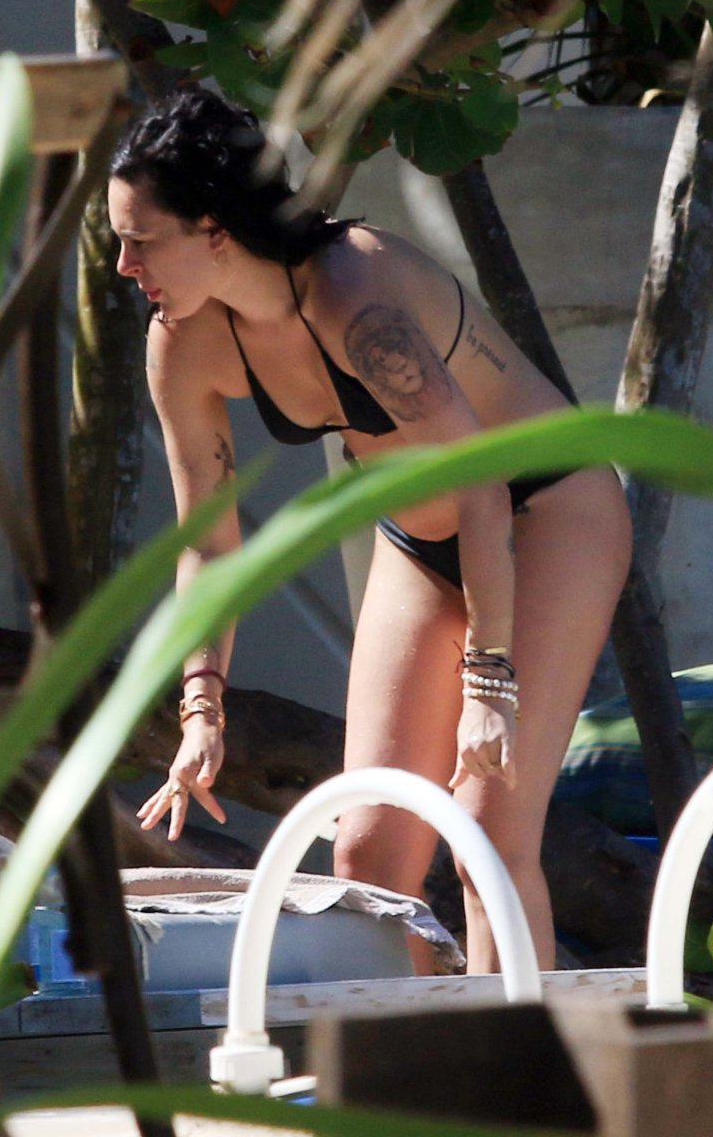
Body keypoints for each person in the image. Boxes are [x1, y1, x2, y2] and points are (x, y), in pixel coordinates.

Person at [107, 86, 632, 974]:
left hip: (541, 512)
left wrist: (488, 684)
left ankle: (522, 1057)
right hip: (417, 543)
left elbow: (479, 488)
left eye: (141, 240)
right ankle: (417, 1058)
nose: (125, 266)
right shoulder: (182, 340)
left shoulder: (355, 293)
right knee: (369, 859)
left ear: (214, 230)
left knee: (486, 840)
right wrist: (201, 710)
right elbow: (208, 542)